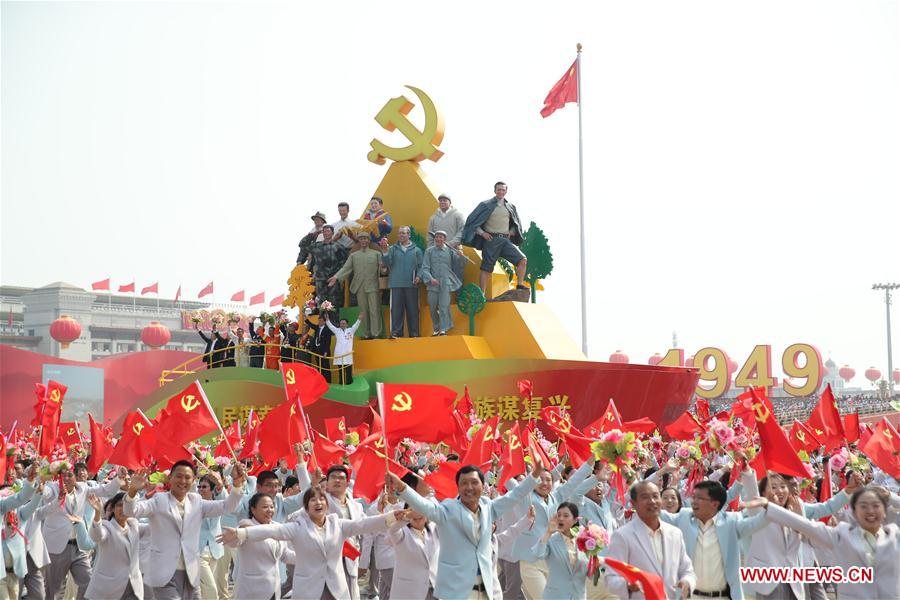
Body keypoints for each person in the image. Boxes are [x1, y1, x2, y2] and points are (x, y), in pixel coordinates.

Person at [386, 459, 546, 600]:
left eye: (474, 482)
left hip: (486, 590)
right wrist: (400, 487)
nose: (469, 487)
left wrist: (534, 476)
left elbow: (514, 496)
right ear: (458, 487)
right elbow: (424, 506)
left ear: (483, 486)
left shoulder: (489, 507)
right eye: (464, 483)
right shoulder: (447, 510)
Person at [218, 487, 404, 600]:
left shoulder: (337, 524)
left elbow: (363, 524)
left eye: (321, 499)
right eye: (312, 500)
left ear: (327, 505)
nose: (317, 502)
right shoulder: (298, 526)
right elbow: (271, 531)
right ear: (306, 508)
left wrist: (390, 517)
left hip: (336, 590)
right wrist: (241, 533)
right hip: (308, 591)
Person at [123, 460, 246, 600]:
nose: (183, 481)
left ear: (193, 480)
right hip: (164, 573)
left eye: (187, 477)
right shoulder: (159, 500)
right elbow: (131, 510)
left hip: (190, 573)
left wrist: (237, 484)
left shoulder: (196, 501)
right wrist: (132, 491)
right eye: (179, 476)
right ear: (170, 478)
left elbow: (226, 507)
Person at [752, 486, 900, 600]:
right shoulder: (842, 535)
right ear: (854, 512)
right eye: (863, 506)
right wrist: (769, 506)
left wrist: (890, 496)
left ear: (885, 511)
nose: (870, 511)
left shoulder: (894, 535)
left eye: (876, 505)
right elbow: (806, 526)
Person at [657, 479, 768, 600]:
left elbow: (758, 522)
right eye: (693, 497)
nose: (693, 502)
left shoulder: (731, 522)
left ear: (714, 504)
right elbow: (655, 512)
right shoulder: (684, 518)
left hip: (722, 596)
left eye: (699, 498)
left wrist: (769, 506)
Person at [509, 457, 596, 600]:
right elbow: (508, 481)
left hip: (552, 561)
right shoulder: (525, 497)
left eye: (548, 480)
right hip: (530, 561)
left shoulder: (556, 496)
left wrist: (590, 463)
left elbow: (574, 482)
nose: (544, 483)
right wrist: (501, 465)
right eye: (540, 479)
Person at [41, 465, 127, 600]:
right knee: (53, 588)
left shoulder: (83, 488)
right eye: (63, 475)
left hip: (79, 546)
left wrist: (119, 478)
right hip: (57, 547)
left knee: (88, 582)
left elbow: (105, 490)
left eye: (70, 475)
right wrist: (40, 479)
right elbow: (42, 491)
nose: (66, 478)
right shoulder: (52, 488)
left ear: (75, 477)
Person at [604, 481, 696, 599]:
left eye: (655, 496)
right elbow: (610, 578)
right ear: (633, 503)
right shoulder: (622, 536)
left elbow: (687, 570)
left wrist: (687, 582)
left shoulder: (675, 533)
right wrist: (627, 585)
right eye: (645, 497)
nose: (652, 501)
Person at [461, 181, 528, 296]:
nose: (501, 191)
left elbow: (515, 223)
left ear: (506, 191)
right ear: (494, 190)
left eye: (503, 190)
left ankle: (520, 285)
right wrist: (482, 233)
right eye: (499, 189)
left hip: (505, 240)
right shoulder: (485, 204)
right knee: (486, 267)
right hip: (491, 240)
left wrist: (511, 231)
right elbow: (472, 222)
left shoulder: (510, 207)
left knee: (522, 260)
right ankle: (482, 293)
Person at [230, 493, 296, 600]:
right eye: (265, 507)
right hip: (251, 590)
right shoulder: (245, 525)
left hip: (274, 589)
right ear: (253, 509)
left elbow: (285, 555)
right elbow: (233, 542)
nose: (270, 510)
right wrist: (236, 534)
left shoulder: (278, 527)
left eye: (272, 506)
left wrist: (308, 556)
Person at [84, 492, 148, 600]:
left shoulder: (134, 525)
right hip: (109, 589)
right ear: (113, 509)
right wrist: (97, 514)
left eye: (126, 505)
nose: (123, 508)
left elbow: (154, 528)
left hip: (133, 587)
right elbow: (97, 536)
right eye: (119, 505)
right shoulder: (107, 526)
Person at [328, 231, 382, 339]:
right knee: (363, 311)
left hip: (373, 285)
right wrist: (336, 277)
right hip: (359, 286)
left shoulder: (376, 254)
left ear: (369, 240)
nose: (363, 241)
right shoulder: (354, 255)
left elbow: (383, 270)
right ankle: (366, 333)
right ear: (359, 240)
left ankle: (376, 333)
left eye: (365, 238)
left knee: (374, 310)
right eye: (361, 238)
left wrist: (384, 268)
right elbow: (346, 268)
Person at [531, 502, 590, 600]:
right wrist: (548, 532)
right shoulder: (551, 539)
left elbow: (589, 573)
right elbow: (537, 555)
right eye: (559, 515)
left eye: (566, 516)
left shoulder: (585, 541)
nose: (561, 518)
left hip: (578, 596)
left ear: (575, 520)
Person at [386, 504, 439, 600]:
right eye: (413, 510)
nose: (417, 514)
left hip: (434, 589)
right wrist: (408, 516)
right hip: (410, 592)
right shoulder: (402, 533)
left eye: (420, 510)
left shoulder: (433, 530)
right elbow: (392, 531)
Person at [379, 226, 423, 338]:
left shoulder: (416, 250)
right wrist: (384, 251)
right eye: (399, 233)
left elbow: (421, 266)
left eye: (403, 233)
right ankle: (396, 333)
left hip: (411, 284)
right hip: (396, 284)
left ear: (409, 235)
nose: (401, 235)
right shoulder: (392, 249)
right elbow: (387, 263)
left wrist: (419, 276)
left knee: (413, 311)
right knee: (396, 310)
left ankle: (414, 333)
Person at [300, 225, 350, 315]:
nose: (326, 233)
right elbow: (302, 244)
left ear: (332, 233)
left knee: (333, 303)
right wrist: (312, 235)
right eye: (324, 231)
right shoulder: (317, 246)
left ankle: (333, 325)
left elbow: (345, 263)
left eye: (328, 231)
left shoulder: (338, 246)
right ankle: (323, 325)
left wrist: (338, 276)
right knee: (321, 303)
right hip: (320, 279)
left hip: (333, 279)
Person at [421, 231, 462, 336]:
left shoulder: (450, 251)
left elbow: (460, 263)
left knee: (444, 307)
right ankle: (436, 329)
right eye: (437, 237)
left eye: (441, 237)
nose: (438, 239)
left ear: (444, 239)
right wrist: (431, 279)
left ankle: (443, 329)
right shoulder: (429, 251)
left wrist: (460, 254)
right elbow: (425, 268)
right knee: (433, 307)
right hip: (433, 284)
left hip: (446, 283)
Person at [197, 475, 226, 600]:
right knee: (211, 587)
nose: (201, 489)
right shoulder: (194, 503)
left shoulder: (218, 503)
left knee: (204, 588)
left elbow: (227, 501)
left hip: (215, 549)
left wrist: (220, 485)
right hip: (197, 551)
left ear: (212, 489)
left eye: (204, 486)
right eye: (199, 486)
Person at [428, 193, 466, 283]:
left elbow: (462, 231)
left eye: (445, 200)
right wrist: (429, 250)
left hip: (455, 250)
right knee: (439, 277)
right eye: (440, 201)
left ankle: (458, 296)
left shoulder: (458, 215)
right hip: (437, 252)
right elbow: (430, 236)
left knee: (457, 277)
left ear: (450, 202)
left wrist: (451, 243)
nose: (442, 202)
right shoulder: (433, 218)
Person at [326, 316, 362, 384]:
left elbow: (356, 325)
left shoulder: (351, 330)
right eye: (341, 323)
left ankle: (349, 385)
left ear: (347, 324)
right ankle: (341, 384)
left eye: (344, 323)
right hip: (339, 355)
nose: (342, 325)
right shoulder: (337, 330)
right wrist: (327, 319)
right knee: (341, 373)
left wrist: (359, 319)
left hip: (348, 355)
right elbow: (330, 326)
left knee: (348, 372)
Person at [307, 312, 335, 382]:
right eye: (318, 320)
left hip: (324, 352)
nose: (319, 322)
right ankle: (321, 380)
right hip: (317, 350)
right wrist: (305, 318)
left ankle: (328, 381)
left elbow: (328, 341)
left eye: (321, 321)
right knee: (319, 366)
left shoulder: (327, 330)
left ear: (325, 322)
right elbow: (311, 325)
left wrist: (326, 351)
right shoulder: (317, 328)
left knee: (325, 367)